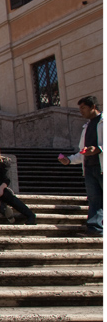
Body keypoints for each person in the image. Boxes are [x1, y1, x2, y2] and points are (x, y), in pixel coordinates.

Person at [59, 96, 102, 237]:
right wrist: (69, 160)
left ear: (93, 106)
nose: (81, 111)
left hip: (102, 167)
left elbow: (97, 148)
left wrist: (99, 149)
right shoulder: (86, 127)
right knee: (94, 199)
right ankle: (95, 229)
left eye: (83, 108)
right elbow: (82, 151)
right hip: (90, 168)